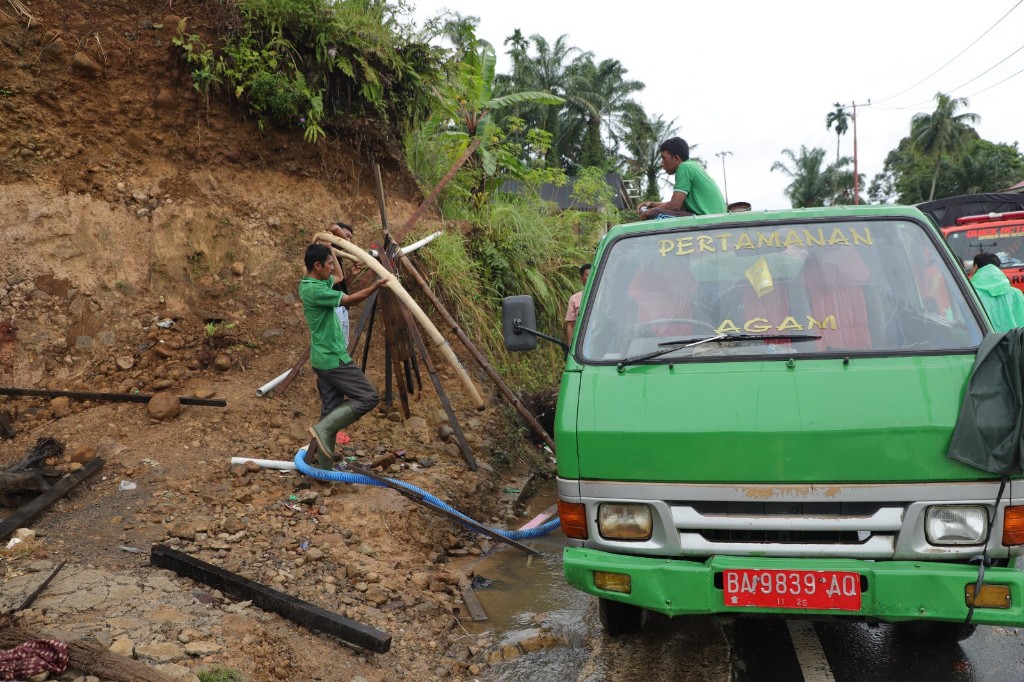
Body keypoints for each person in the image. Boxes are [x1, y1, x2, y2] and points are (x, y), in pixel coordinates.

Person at [300, 242, 389, 469]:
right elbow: (349, 299)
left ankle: (325, 471)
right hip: (333, 359)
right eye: (328, 263)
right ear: (317, 265)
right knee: (369, 397)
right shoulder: (315, 290)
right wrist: (375, 287)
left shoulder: (313, 282)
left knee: (330, 410)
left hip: (321, 358)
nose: (331, 267)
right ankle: (324, 429)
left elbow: (339, 275)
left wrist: (332, 251)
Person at [637, 137, 727, 219]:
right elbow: (678, 204)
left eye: (664, 158)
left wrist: (649, 211)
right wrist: (652, 204)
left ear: (676, 158)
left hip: (707, 219)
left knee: (653, 214)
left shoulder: (684, 167)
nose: (662, 163)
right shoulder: (692, 166)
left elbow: (675, 205)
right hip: (716, 217)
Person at [971, 252, 1024, 332]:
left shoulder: (970, 294)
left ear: (975, 267)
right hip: (1013, 342)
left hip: (984, 343)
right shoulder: (1016, 293)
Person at [326, 220, 355, 342]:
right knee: (336, 346)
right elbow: (334, 227)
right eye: (346, 235)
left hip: (341, 307)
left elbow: (338, 284)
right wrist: (349, 246)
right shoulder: (326, 248)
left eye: (350, 238)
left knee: (342, 347)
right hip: (333, 306)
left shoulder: (336, 257)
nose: (348, 239)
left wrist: (352, 275)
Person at [565, 263, 592, 344]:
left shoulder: (605, 296)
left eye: (592, 274)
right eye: (587, 275)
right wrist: (569, 345)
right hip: (581, 344)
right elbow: (571, 325)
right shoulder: (574, 299)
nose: (590, 277)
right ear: (582, 279)